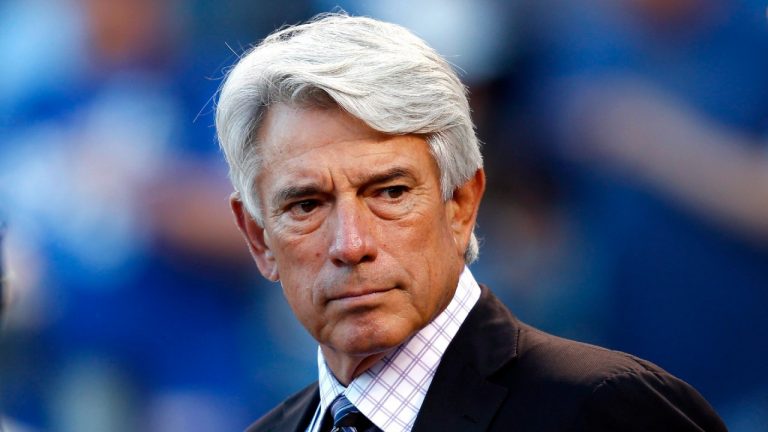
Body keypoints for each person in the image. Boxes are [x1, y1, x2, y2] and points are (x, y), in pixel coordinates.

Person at [214, 13, 727, 432]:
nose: (351, 243)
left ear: (461, 204)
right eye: (306, 205)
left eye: (390, 192)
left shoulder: (603, 411)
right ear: (259, 238)